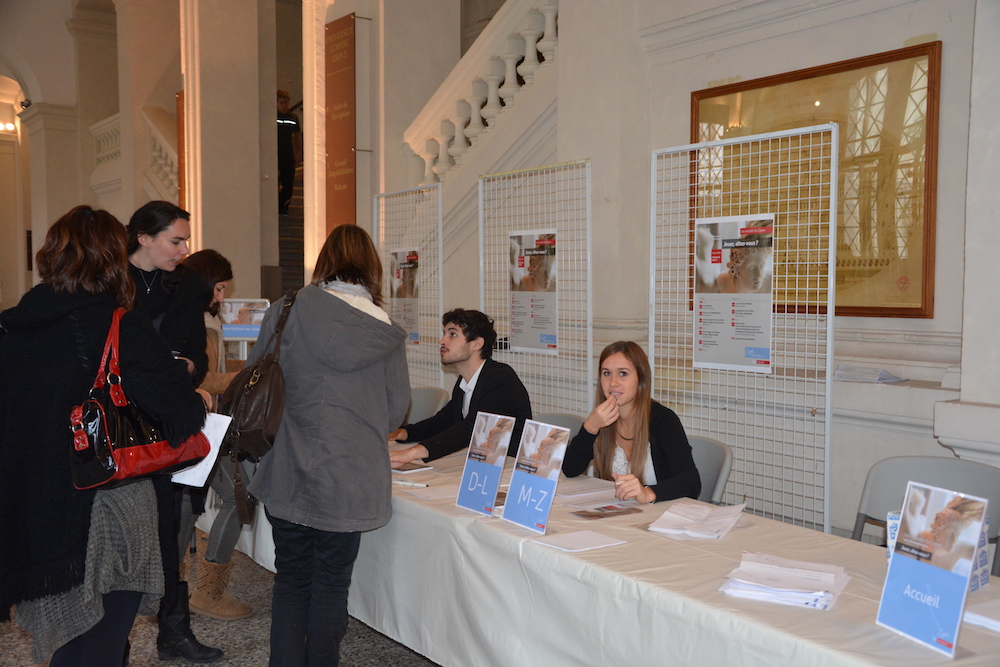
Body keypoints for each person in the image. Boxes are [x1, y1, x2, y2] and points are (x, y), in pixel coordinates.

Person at [0, 205, 207, 666]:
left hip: (37, 511)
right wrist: (199, 397)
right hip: (108, 507)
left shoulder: (14, 328)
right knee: (102, 642)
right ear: (113, 258)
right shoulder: (117, 323)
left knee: (65, 641)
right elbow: (179, 410)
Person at [248, 224, 410, 666]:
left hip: (288, 471)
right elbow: (397, 412)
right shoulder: (385, 331)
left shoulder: (288, 308)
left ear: (325, 262)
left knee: (292, 579)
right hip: (351, 477)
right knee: (331, 586)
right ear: (371, 268)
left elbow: (256, 375)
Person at [126, 201, 222, 662]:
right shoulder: (111, 284)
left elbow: (200, 355)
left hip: (167, 423)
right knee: (122, 533)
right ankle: (114, 639)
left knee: (169, 529)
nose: (185, 249)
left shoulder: (188, 286)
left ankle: (173, 631)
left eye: (186, 240)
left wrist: (188, 368)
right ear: (144, 237)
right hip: (121, 427)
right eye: (176, 240)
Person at [177, 249, 253, 621]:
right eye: (219, 288)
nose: (222, 297)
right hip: (200, 430)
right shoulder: (195, 323)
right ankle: (204, 593)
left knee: (188, 508)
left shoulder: (193, 319)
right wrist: (249, 375)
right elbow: (204, 379)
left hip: (201, 429)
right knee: (232, 498)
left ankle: (177, 595)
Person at [389, 309, 533, 466]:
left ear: (477, 344)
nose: (442, 341)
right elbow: (443, 421)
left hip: (511, 468)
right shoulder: (465, 381)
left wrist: (412, 453)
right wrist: (404, 433)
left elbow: (473, 429)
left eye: (453, 335)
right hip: (485, 463)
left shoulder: (501, 379)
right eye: (444, 334)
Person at [563, 341, 700, 503]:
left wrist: (648, 493)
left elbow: (691, 483)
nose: (613, 382)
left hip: (658, 514)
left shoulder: (663, 419)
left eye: (623, 374)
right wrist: (590, 428)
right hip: (618, 513)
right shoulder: (602, 419)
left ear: (640, 379)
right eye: (606, 373)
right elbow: (570, 470)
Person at [277, 89, 302, 215]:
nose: (284, 105)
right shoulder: (272, 116)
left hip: (287, 154)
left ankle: (284, 205)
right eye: (281, 103)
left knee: (288, 183)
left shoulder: (293, 118)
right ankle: (275, 204)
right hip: (274, 154)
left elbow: (297, 137)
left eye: (285, 103)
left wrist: (298, 154)